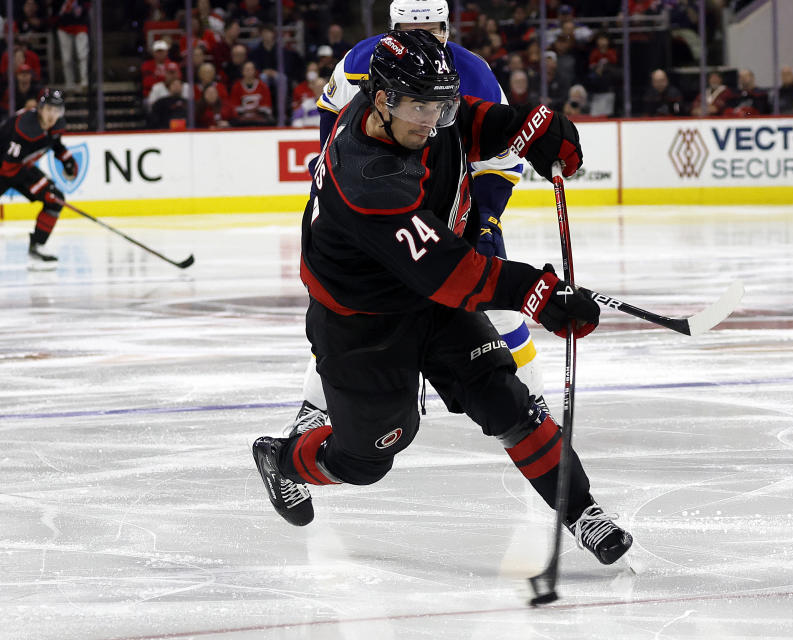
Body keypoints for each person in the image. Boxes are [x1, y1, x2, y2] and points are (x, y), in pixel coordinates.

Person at [252, 29, 633, 567]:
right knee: (369, 457)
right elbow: (448, 273)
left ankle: (583, 511)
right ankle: (284, 460)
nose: (433, 120)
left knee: (508, 400)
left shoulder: (408, 111)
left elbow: (473, 124)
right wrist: (537, 293)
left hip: (427, 299)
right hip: (363, 324)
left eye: (441, 105)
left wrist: (532, 126)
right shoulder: (366, 175)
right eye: (422, 108)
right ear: (381, 100)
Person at [308, 0, 552, 448]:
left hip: (449, 208)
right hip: (382, 208)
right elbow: (332, 115)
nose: (423, 34)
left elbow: (498, 158)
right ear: (391, 28)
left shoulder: (475, 74)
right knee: (354, 308)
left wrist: (488, 218)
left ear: (447, 27)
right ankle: (314, 409)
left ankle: (531, 397)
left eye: (433, 27)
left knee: (491, 297)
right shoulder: (360, 62)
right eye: (410, 26)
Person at [0, 89, 76, 264]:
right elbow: (8, 169)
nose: (52, 115)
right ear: (40, 109)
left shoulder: (56, 125)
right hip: (5, 167)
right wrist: (39, 184)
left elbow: (54, 142)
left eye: (57, 111)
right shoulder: (25, 127)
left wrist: (67, 159)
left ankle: (38, 246)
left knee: (55, 199)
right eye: (49, 109)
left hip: (20, 167)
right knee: (49, 192)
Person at [55, 0, 89, 89]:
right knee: (67, 59)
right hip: (64, 27)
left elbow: (87, 6)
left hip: (80, 25)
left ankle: (84, 81)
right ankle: (69, 83)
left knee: (82, 55)